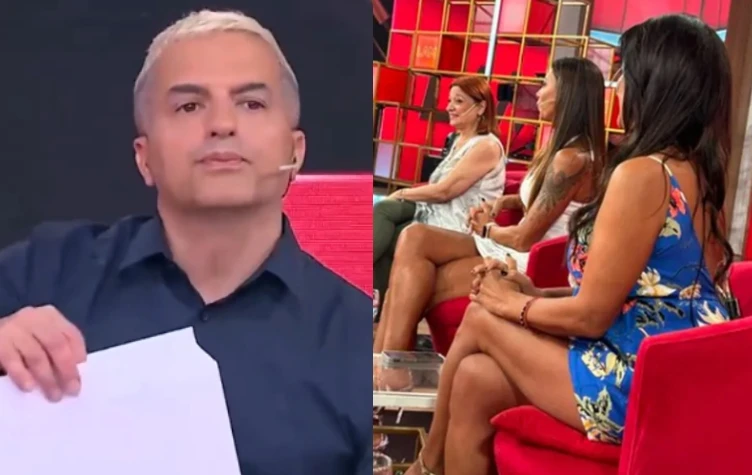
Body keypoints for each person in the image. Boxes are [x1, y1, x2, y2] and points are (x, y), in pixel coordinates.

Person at [0, 10, 370, 475]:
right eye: (189, 106)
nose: (222, 124)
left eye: (251, 103)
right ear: (145, 158)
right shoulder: (46, 271)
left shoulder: (356, 340)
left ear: (294, 153)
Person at [406, 14, 734, 474]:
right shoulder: (698, 172)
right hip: (683, 375)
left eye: (624, 73)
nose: (618, 86)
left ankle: (423, 467)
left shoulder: (642, 174)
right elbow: (643, 292)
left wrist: (510, 303)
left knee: (480, 316)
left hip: (641, 381)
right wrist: (537, 293)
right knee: (476, 380)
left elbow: (592, 315)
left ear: (654, 85)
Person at [374, 57, 605, 353]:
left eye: (545, 84)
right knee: (414, 238)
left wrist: (486, 229)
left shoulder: (571, 159)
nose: (537, 93)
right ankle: (384, 363)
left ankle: (387, 364)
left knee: (413, 279)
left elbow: (523, 238)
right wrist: (504, 201)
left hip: (533, 259)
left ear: (567, 93)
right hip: (515, 246)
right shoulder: (562, 149)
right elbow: (545, 200)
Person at [373, 76, 506, 317]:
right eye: (449, 100)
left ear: (480, 107)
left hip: (459, 225)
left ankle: (353, 289)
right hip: (433, 212)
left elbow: (445, 191)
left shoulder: (486, 146)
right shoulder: (457, 140)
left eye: (458, 101)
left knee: (393, 235)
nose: (449, 107)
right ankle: (368, 303)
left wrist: (403, 192)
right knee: (384, 211)